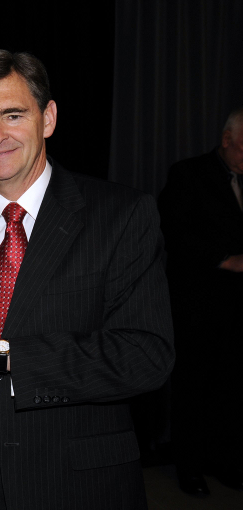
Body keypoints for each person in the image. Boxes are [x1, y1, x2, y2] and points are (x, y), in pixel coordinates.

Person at [0, 50, 175, 509]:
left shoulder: (120, 215)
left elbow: (145, 356)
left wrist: (4, 354)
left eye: (13, 115)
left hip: (78, 488)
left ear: (48, 118)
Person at [158, 107, 243, 495]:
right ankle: (189, 467)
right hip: (197, 305)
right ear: (226, 140)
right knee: (192, 386)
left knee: (231, 386)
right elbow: (173, 232)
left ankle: (224, 461)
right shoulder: (188, 174)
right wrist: (225, 260)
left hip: (236, 307)